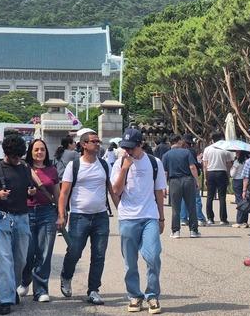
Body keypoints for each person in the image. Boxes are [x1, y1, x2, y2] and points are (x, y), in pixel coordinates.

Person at [57, 131, 117, 306]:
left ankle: (93, 290)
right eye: (94, 141)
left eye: (98, 141)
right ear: (84, 144)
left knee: (99, 255)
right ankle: (66, 276)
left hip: (101, 216)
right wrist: (61, 215)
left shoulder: (104, 165)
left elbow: (112, 190)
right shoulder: (74, 165)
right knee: (74, 251)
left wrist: (122, 210)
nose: (97, 144)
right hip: (79, 216)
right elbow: (64, 193)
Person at [111, 128, 166, 314]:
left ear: (141, 145)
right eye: (125, 148)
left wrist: (161, 217)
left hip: (150, 215)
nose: (127, 151)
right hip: (127, 217)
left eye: (131, 148)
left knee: (153, 256)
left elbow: (159, 191)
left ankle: (152, 295)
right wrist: (124, 168)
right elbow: (116, 191)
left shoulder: (154, 162)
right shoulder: (119, 163)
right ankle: (134, 295)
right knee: (130, 261)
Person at [0, 134, 36, 315]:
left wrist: (31, 192)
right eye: (14, 156)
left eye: (19, 156)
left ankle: (11, 289)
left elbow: (28, 190)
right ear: (6, 153)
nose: (17, 159)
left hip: (23, 217)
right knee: (4, 259)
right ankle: (4, 300)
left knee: (21, 259)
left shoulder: (25, 168)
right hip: (3, 217)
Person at [18, 139, 59, 302]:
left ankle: (41, 290)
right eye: (36, 150)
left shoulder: (52, 170)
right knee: (27, 253)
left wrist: (62, 213)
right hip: (26, 213)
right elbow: (15, 190)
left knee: (44, 253)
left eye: (42, 149)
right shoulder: (23, 168)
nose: (39, 152)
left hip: (47, 213)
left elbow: (57, 193)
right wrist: (27, 192)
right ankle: (25, 279)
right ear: (30, 152)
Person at [162, 135, 201, 238]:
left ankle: (176, 231)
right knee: (191, 206)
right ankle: (193, 231)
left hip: (174, 181)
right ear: (179, 142)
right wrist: (197, 180)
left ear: (170, 143)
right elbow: (192, 167)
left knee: (175, 208)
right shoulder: (187, 152)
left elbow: (165, 172)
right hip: (188, 180)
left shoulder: (166, 155)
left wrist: (164, 186)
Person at [202, 132, 234, 225]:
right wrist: (228, 175)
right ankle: (223, 219)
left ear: (212, 140)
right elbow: (229, 164)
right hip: (221, 172)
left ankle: (210, 218)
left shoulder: (207, 149)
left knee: (210, 196)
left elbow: (205, 164)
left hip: (210, 172)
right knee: (222, 197)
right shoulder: (225, 149)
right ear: (221, 139)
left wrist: (205, 177)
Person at [180, 134, 206, 227]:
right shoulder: (191, 151)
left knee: (183, 199)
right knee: (196, 199)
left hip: (181, 177)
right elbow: (193, 165)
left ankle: (183, 218)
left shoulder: (179, 151)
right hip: (191, 177)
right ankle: (199, 218)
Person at [231, 151, 250, 228]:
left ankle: (239, 221)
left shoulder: (237, 162)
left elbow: (232, 174)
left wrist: (231, 168)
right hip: (246, 181)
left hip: (237, 181)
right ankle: (245, 221)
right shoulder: (248, 161)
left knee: (239, 201)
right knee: (245, 200)